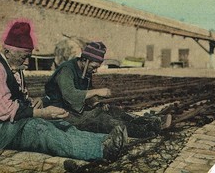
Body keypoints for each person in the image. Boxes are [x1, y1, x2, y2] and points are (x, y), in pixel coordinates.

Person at [0, 21, 127, 161]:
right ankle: (99, 150)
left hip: (4, 123)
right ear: (7, 51)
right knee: (38, 130)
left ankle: (105, 140)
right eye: (24, 57)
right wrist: (41, 113)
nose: (27, 62)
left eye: (29, 57)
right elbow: (3, 111)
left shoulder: (14, 66)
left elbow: (16, 100)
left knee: (59, 124)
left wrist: (33, 103)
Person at [44, 41, 172, 138]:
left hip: (77, 109)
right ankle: (147, 131)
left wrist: (96, 102)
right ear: (85, 60)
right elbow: (70, 95)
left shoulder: (84, 70)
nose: (95, 70)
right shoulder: (67, 70)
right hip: (62, 113)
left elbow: (87, 91)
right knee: (106, 122)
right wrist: (97, 92)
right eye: (94, 67)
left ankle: (151, 122)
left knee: (114, 111)